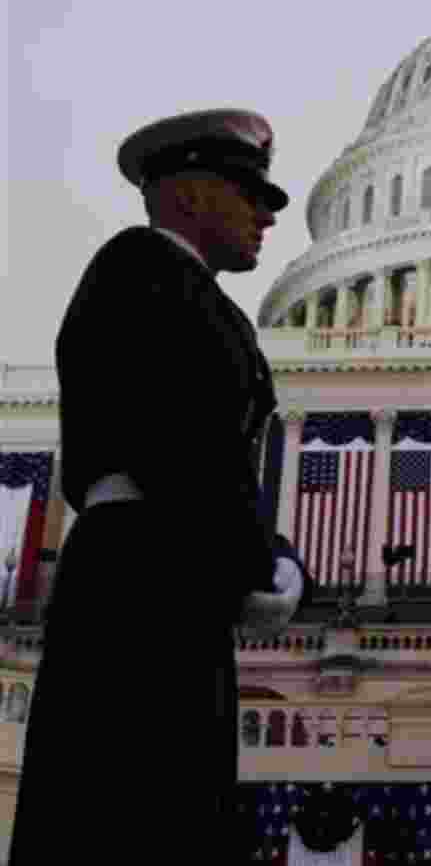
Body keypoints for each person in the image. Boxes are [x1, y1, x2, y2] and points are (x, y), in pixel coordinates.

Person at [10, 109, 315, 863]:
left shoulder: (187, 291)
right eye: (247, 192)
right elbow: (182, 439)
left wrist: (260, 555)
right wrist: (253, 560)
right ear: (188, 193)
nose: (264, 217)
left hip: (174, 568)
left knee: (176, 801)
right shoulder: (141, 271)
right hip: (145, 571)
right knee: (123, 800)